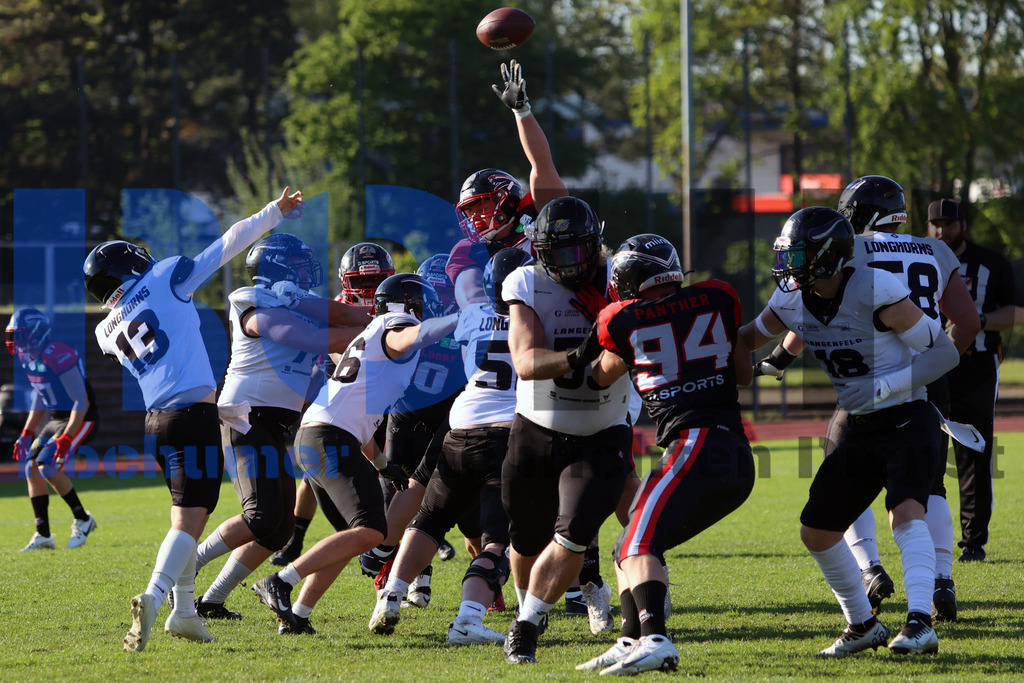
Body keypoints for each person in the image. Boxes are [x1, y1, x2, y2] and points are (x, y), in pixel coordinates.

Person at [85, 186, 304, 652]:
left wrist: (219, 407)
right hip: (190, 420)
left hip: (156, 423)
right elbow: (228, 243)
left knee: (186, 518)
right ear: (130, 267)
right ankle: (155, 594)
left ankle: (185, 613)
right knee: (188, 524)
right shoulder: (165, 276)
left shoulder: (105, 330)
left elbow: (164, 370)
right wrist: (274, 212)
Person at [755, 176, 979, 622]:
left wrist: (778, 358)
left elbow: (823, 311)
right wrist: (937, 357)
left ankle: (869, 567)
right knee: (928, 487)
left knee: (847, 466)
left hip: (867, 372)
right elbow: (968, 322)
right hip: (926, 370)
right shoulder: (933, 249)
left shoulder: (845, 250)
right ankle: (941, 580)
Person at [574, 234, 756, 675]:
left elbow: (598, 379)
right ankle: (630, 638)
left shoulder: (619, 318)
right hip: (731, 447)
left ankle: (656, 638)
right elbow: (744, 375)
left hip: (696, 443)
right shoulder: (717, 296)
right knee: (626, 546)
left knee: (638, 543)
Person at [250, 273, 460, 635]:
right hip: (329, 437)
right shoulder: (400, 326)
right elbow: (415, 335)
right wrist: (463, 318)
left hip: (323, 434)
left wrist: (383, 464)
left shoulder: (368, 336)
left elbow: (359, 412)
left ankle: (299, 613)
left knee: (356, 531)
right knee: (371, 530)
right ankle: (281, 582)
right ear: (407, 306)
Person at [189, 233, 368, 623]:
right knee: (260, 517)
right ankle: (183, 572)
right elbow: (307, 337)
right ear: (277, 268)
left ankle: (211, 600)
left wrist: (309, 302)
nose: (306, 272)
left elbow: (352, 317)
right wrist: (381, 333)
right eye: (300, 264)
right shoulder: (251, 302)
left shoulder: (294, 302)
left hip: (274, 422)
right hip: (246, 417)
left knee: (279, 529)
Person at [368, 248, 528, 644]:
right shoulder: (535, 321)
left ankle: (390, 596)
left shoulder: (472, 313)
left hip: (459, 427)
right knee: (497, 538)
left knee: (430, 519)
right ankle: (469, 619)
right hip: (507, 434)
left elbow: (464, 276)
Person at [500, 196, 634, 664]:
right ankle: (527, 607)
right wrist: (584, 351)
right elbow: (526, 361)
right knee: (524, 540)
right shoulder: (527, 281)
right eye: (553, 254)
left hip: (601, 430)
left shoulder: (623, 272)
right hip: (536, 428)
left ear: (594, 245)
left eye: (574, 253)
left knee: (574, 532)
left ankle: (526, 626)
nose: (564, 265)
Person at [270, 242, 394, 567]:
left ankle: (399, 540)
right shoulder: (335, 309)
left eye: (375, 281)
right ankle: (298, 540)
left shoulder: (396, 308)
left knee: (393, 467)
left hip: (385, 403)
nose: (368, 290)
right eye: (362, 282)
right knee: (315, 472)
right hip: (337, 395)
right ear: (345, 281)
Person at [356, 253, 468, 609]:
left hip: (414, 420)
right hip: (419, 420)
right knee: (411, 504)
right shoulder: (447, 326)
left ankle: (406, 576)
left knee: (411, 503)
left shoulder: (403, 330)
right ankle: (398, 579)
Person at [927, 198, 1024, 563]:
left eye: (948, 224)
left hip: (977, 368)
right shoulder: (917, 259)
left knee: (974, 454)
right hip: (931, 367)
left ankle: (973, 543)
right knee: (926, 452)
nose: (941, 231)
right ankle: (925, 537)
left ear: (963, 225)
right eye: (934, 224)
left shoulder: (992, 263)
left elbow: (1018, 312)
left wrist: (977, 321)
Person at [446, 59, 568, 309]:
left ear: (506, 198)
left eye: (480, 206)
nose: (474, 217)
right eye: (469, 211)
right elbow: (472, 302)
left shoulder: (535, 212)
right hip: (502, 323)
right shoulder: (468, 250)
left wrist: (522, 112)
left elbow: (542, 165)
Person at [6, 308, 98, 551]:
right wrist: (26, 432)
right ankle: (44, 535)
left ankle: (83, 519)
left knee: (47, 465)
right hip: (56, 417)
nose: (16, 341)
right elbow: (41, 395)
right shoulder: (26, 357)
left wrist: (67, 436)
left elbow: (82, 401)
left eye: (21, 334)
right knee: (31, 468)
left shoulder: (57, 353)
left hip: (81, 417)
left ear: (36, 332)